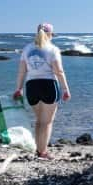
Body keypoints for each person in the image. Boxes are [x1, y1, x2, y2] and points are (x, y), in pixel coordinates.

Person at [13, 23, 71, 158]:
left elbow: (22, 71)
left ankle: (39, 150)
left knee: (39, 121)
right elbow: (59, 71)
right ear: (50, 34)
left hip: (31, 86)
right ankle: (43, 152)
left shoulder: (27, 49)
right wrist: (65, 89)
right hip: (48, 85)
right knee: (47, 122)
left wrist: (19, 88)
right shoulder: (52, 49)